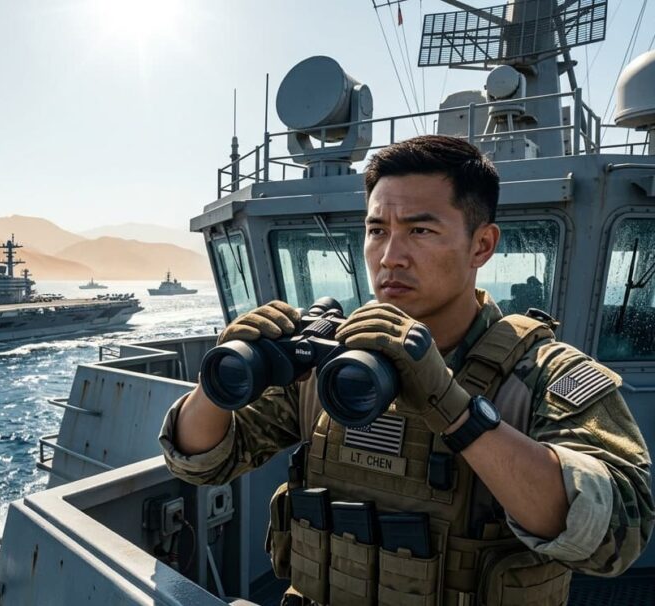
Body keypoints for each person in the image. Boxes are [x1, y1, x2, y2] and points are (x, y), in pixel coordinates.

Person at [159, 135, 652, 605]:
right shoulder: (335, 362)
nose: (390, 258)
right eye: (377, 231)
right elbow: (203, 463)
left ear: (481, 245)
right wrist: (219, 381)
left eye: (420, 230)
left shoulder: (541, 373)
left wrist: (457, 410)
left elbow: (613, 537)